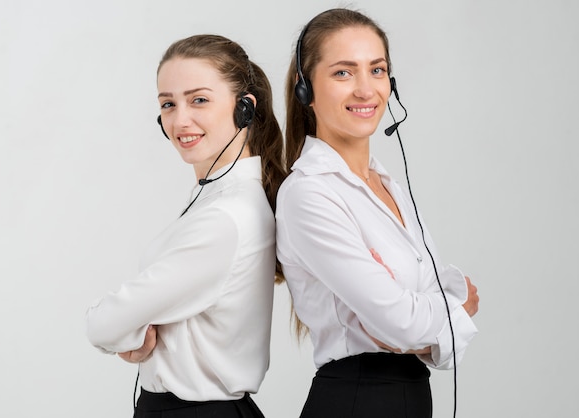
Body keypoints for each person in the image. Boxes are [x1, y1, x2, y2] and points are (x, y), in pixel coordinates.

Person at [275, 8, 479, 417]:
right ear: (305, 89)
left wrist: (423, 322)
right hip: (357, 400)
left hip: (409, 399)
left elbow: (419, 319)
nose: (366, 89)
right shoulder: (309, 194)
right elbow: (405, 321)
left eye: (378, 70)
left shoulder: (389, 187)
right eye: (343, 73)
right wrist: (453, 314)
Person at [86, 34, 285, 418]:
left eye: (199, 100)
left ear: (244, 108)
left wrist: (127, 334)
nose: (179, 120)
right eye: (167, 104)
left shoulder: (225, 217)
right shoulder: (220, 200)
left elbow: (102, 324)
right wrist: (135, 337)